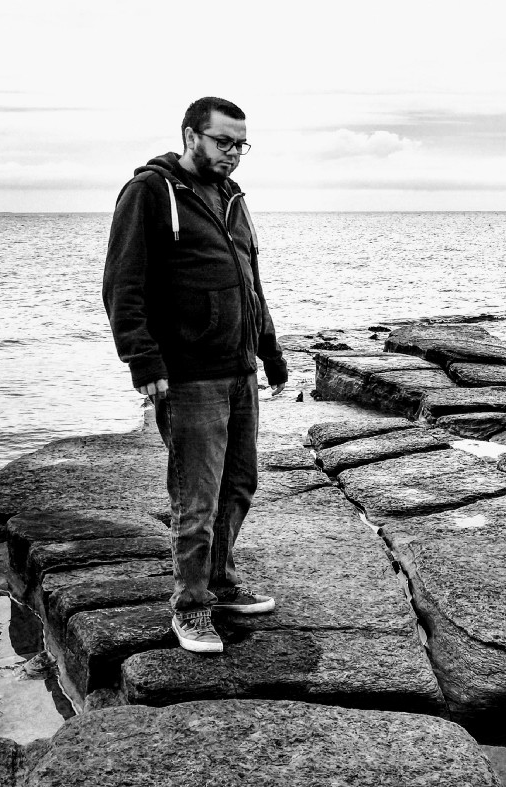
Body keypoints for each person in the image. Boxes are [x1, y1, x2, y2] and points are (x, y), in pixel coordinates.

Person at [102, 97, 288, 653]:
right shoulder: (150, 193)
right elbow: (122, 283)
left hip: (239, 370)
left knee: (238, 485)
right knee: (197, 496)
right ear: (191, 135)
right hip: (188, 377)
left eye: (241, 144)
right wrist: (144, 360)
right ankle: (189, 607)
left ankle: (221, 581)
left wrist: (270, 351)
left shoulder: (232, 198)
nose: (234, 154)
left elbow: (250, 284)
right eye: (223, 141)